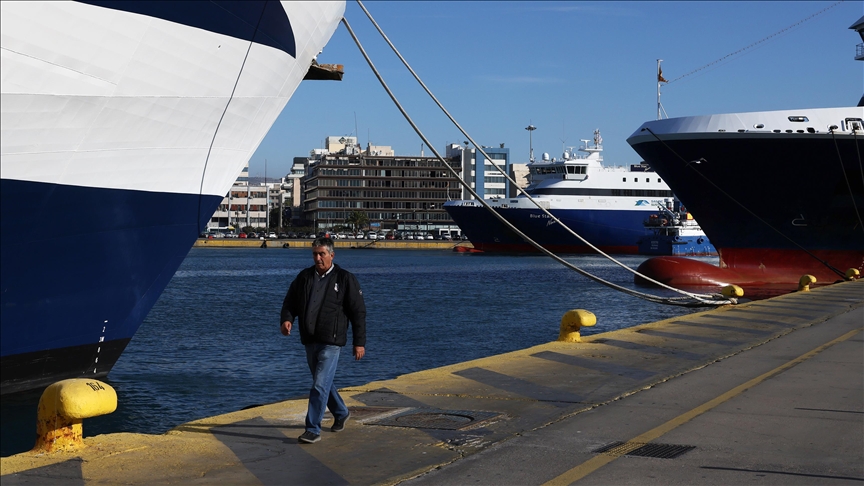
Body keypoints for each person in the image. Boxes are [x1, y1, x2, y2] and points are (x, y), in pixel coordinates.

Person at [280, 237, 366, 444]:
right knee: (323, 383)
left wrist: (359, 342)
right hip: (309, 339)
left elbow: (358, 312)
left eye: (322, 254)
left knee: (319, 385)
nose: (318, 258)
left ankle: (312, 428)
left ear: (331, 255)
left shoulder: (346, 279)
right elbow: (290, 301)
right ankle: (341, 412)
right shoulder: (304, 277)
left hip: (332, 341)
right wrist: (287, 320)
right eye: (315, 254)